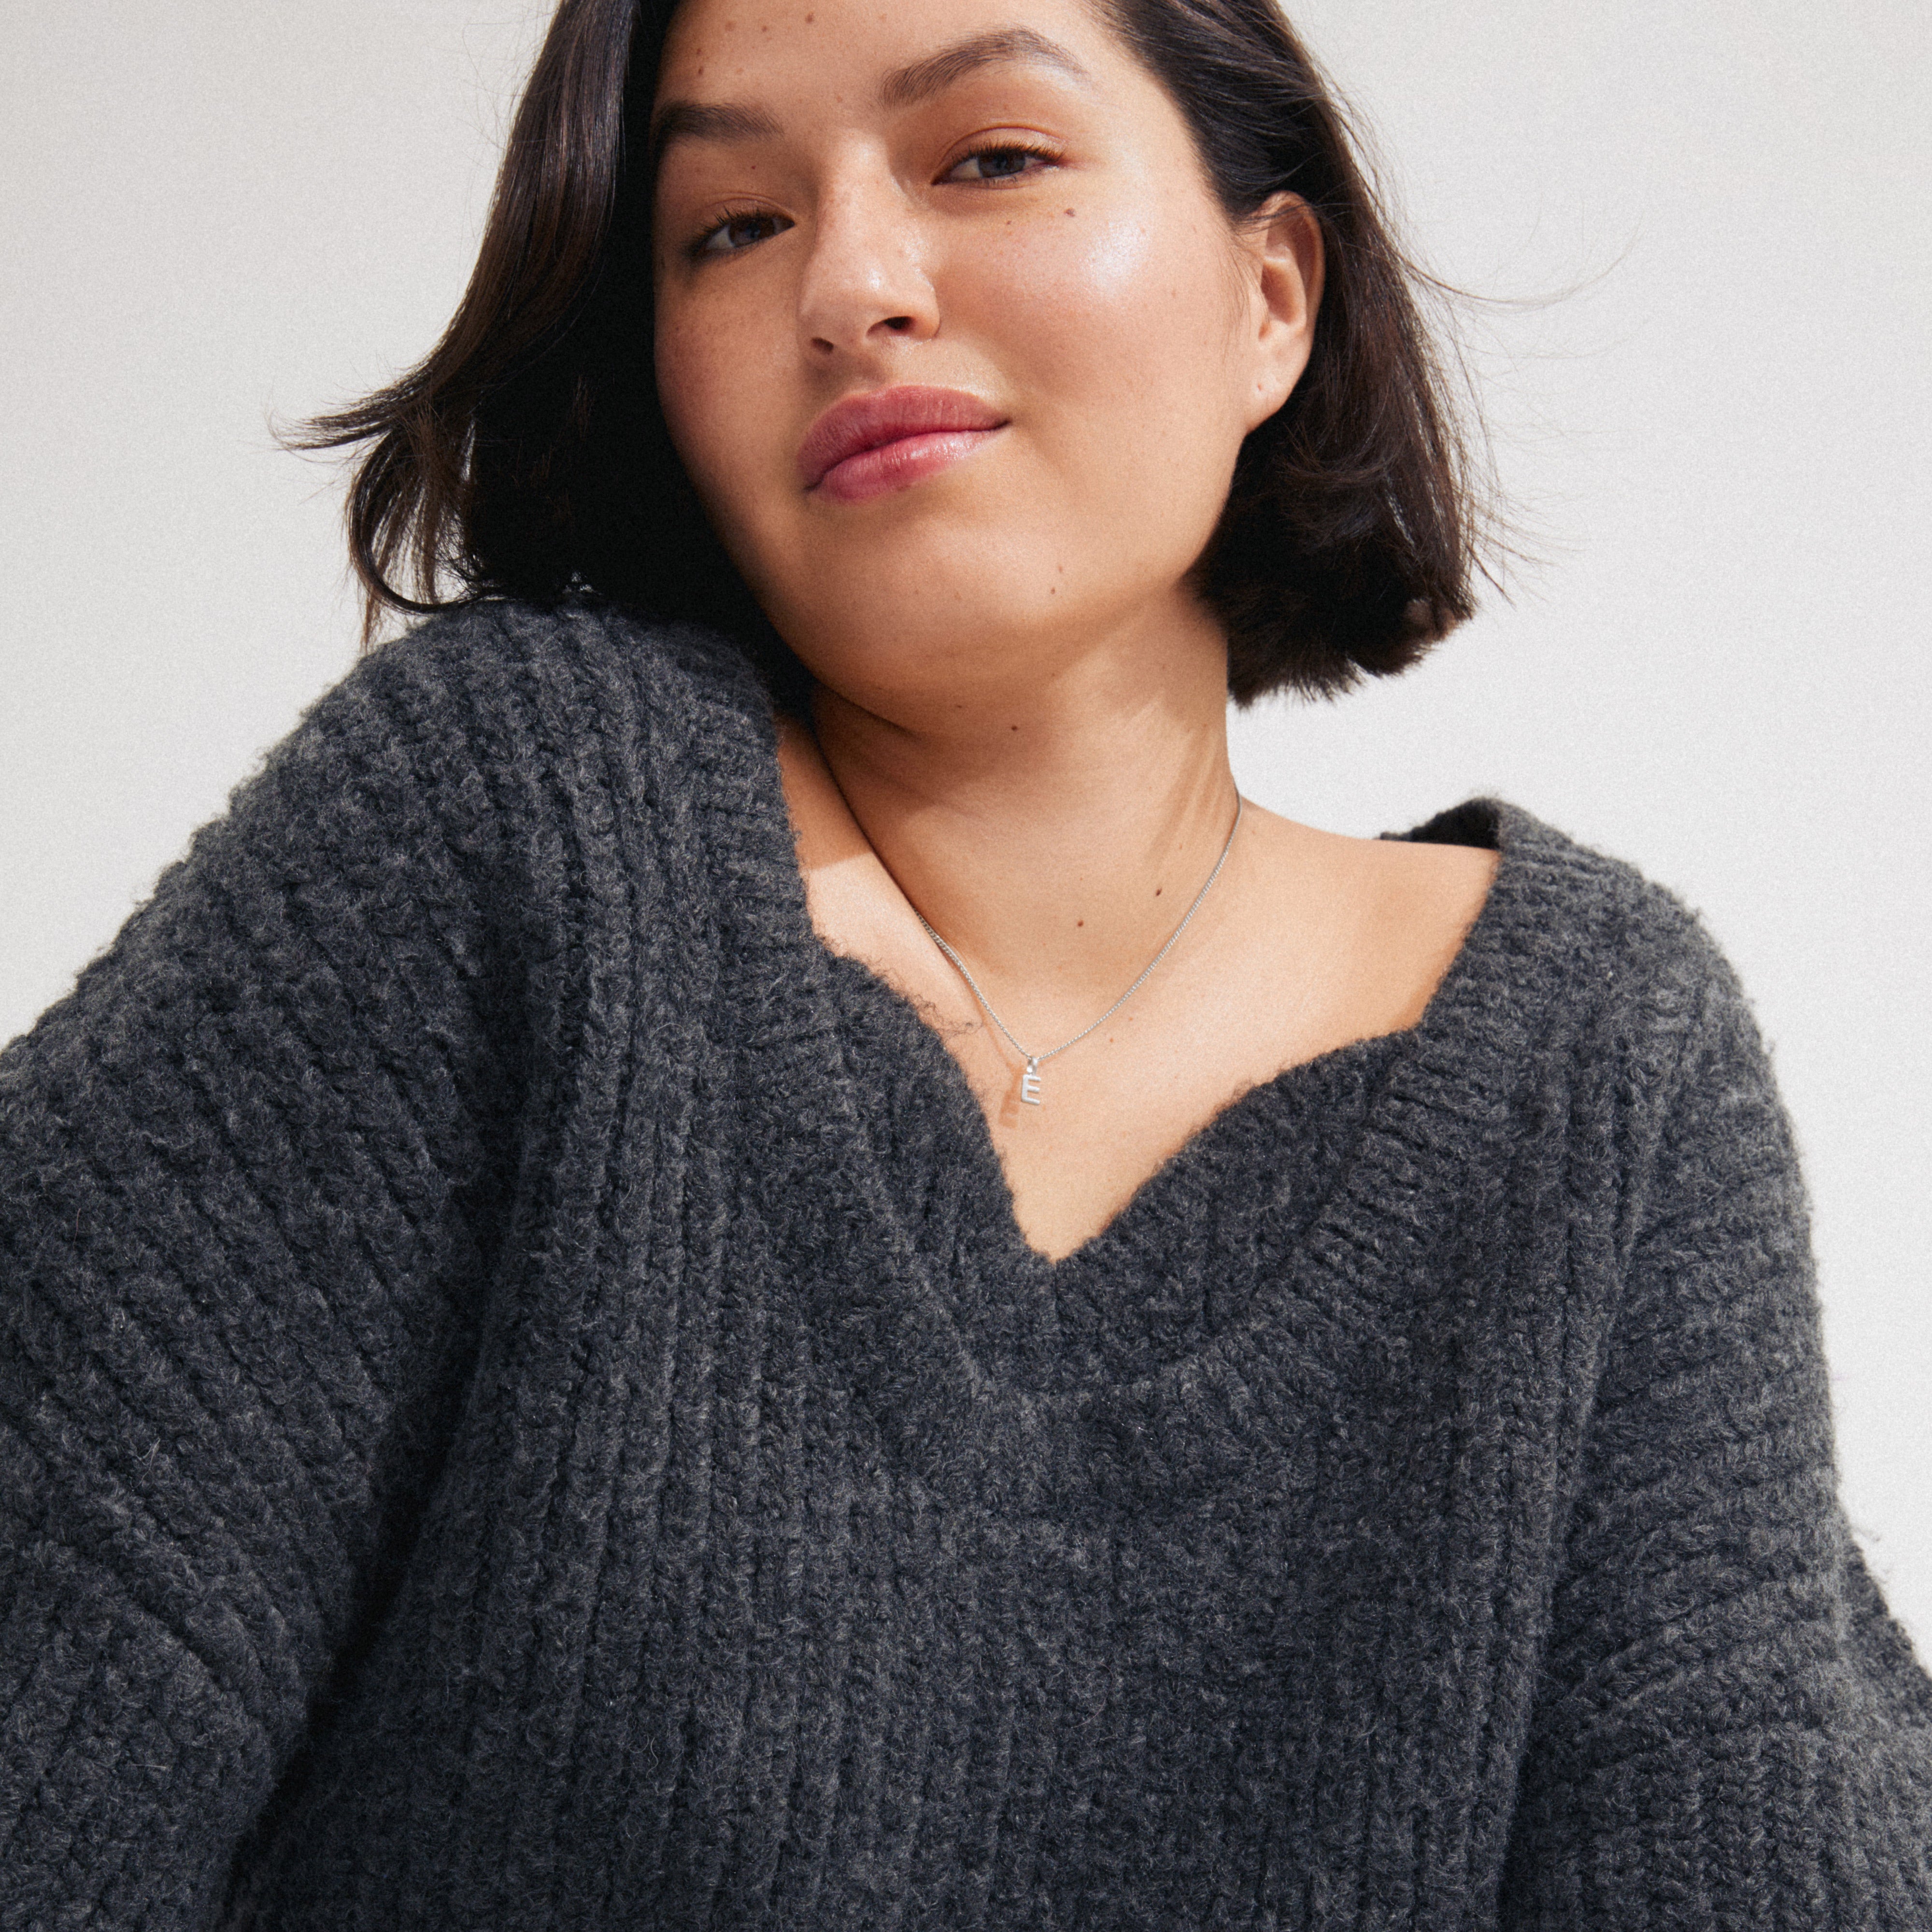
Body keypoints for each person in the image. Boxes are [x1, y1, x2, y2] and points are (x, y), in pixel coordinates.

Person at [1, 0, 1928, 1923]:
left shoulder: (1600, 1062)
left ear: (1272, 296)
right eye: (730, 227)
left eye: (990, 159)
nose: (850, 287)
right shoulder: (505, 828)